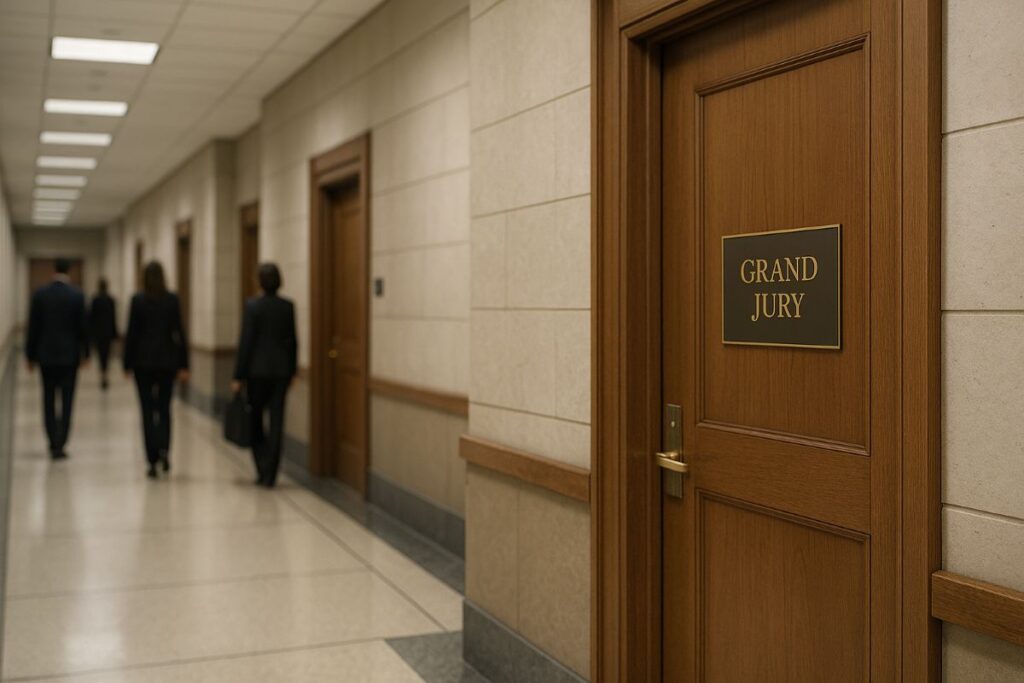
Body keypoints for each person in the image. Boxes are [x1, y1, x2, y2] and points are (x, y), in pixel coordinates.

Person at [232, 263, 297, 488]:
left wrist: (238, 376)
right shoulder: (287, 307)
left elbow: (246, 342)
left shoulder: (253, 306)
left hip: (256, 372)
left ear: (259, 281)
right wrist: (293, 370)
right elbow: (292, 341)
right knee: (277, 420)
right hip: (281, 372)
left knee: (256, 418)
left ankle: (261, 466)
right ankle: (272, 472)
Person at [122, 262, 190, 479]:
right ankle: (165, 452)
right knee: (164, 408)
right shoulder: (171, 300)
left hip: (143, 363)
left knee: (147, 410)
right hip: (167, 362)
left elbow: (131, 334)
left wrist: (127, 363)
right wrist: (184, 364)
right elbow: (179, 333)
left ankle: (151, 459)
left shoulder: (138, 300)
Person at [25, 258, 89, 460]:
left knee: (48, 397)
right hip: (69, 357)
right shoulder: (77, 295)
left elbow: (33, 328)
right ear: (68, 270)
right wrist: (85, 353)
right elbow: (83, 328)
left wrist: (30, 355)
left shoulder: (40, 295)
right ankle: (62, 441)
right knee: (68, 399)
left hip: (46, 357)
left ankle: (52, 440)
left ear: (54, 269)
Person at [88, 278, 118, 390]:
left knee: (101, 355)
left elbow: (91, 318)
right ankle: (105, 375)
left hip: (98, 333)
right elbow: (113, 318)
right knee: (106, 355)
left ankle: (102, 375)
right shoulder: (110, 300)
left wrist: (90, 334)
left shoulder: (95, 300)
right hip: (108, 332)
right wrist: (115, 333)